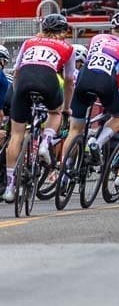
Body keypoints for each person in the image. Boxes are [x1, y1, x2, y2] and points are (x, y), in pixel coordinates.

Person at [3, 14, 76, 202]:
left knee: (16, 135)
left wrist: (18, 94)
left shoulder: (29, 42)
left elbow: (16, 71)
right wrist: (67, 107)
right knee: (55, 112)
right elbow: (69, 81)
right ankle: (45, 142)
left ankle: (10, 188)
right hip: (48, 79)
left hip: (24, 81)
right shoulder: (68, 47)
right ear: (63, 32)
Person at [61, 12, 119, 167]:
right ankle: (96, 144)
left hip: (83, 80)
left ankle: (63, 174)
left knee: (74, 130)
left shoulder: (97, 38)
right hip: (106, 82)